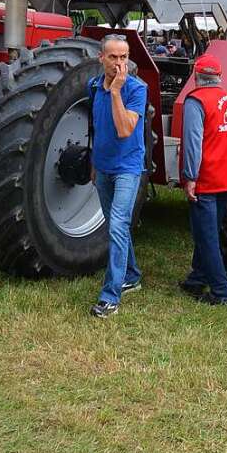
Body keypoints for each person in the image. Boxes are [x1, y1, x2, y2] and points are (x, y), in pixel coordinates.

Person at [179, 53, 227, 305]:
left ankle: (221, 292)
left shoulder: (195, 101)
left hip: (207, 180)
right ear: (219, 77)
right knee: (208, 230)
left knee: (206, 236)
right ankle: (196, 279)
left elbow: (192, 143)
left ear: (196, 77)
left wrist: (190, 177)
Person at [88, 33, 148, 318]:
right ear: (102, 58)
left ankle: (110, 295)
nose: (119, 63)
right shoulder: (93, 87)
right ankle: (132, 274)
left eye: (124, 57)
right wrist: (93, 163)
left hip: (127, 169)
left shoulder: (136, 89)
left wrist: (115, 92)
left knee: (116, 227)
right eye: (113, 57)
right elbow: (97, 127)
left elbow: (125, 129)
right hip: (103, 167)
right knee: (116, 225)